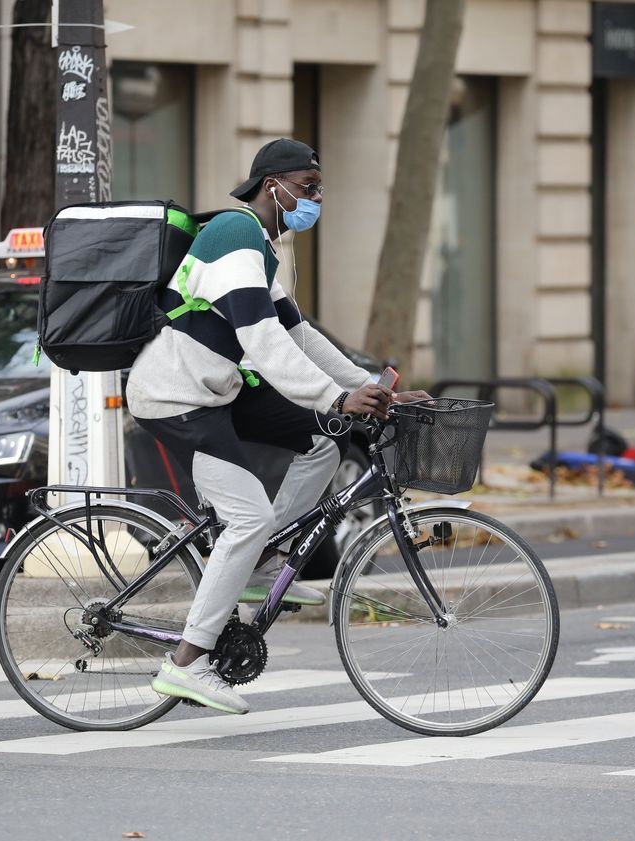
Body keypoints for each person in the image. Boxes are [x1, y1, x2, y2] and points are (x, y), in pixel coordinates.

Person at [125, 138, 428, 715]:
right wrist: (337, 394)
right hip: (176, 397)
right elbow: (261, 341)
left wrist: (371, 388)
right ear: (273, 186)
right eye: (307, 187)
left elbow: (299, 333)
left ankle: (260, 564)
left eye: (319, 188)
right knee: (246, 516)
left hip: (216, 389)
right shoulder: (234, 236)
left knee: (323, 438)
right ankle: (185, 664)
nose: (315, 198)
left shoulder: (263, 244)